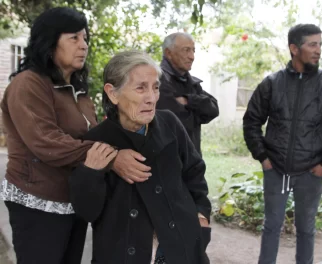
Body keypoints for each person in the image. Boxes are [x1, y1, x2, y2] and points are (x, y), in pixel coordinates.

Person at [69, 50, 212, 264]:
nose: (152, 98)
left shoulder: (170, 123)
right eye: (140, 88)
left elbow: (194, 173)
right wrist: (90, 173)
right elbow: (87, 212)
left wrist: (201, 215)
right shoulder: (97, 141)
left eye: (155, 88)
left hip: (180, 250)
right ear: (113, 93)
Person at [0, 7, 111, 264]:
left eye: (85, 38)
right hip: (36, 202)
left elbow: (91, 134)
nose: (83, 45)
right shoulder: (28, 84)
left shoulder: (76, 90)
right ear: (50, 42)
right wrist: (109, 156)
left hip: (73, 199)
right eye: (74, 38)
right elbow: (47, 142)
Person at [243, 24, 322, 264]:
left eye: (320, 44)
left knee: (306, 229)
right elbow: (252, 120)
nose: (318, 50)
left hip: (311, 171)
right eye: (312, 44)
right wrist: (263, 158)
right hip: (276, 169)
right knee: (271, 227)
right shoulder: (272, 83)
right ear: (294, 48)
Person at [156, 32, 219, 155]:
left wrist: (188, 100)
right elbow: (178, 121)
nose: (192, 56)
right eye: (186, 50)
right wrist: (197, 112)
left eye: (193, 51)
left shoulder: (191, 83)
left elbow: (213, 109)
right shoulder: (157, 81)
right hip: (166, 162)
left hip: (193, 162)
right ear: (169, 53)